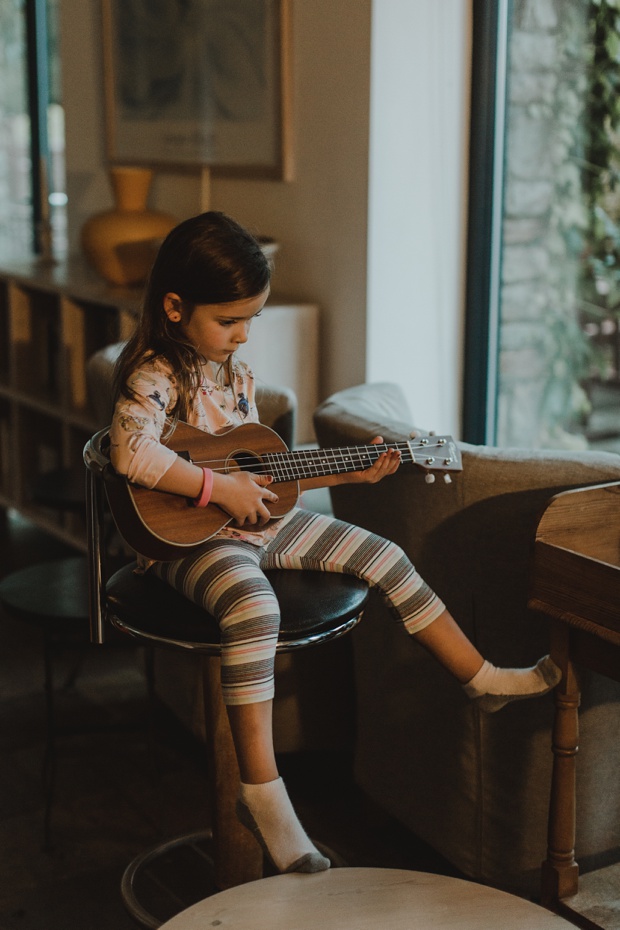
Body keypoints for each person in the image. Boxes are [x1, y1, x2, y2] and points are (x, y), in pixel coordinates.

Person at [109, 211, 561, 876]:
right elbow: (131, 453)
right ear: (175, 308)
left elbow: (260, 469)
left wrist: (352, 470)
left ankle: (481, 679)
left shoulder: (234, 373)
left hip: (252, 523)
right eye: (228, 320)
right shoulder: (154, 374)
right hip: (187, 542)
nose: (240, 335)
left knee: (385, 554)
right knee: (254, 609)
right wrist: (215, 491)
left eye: (250, 321)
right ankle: (259, 795)